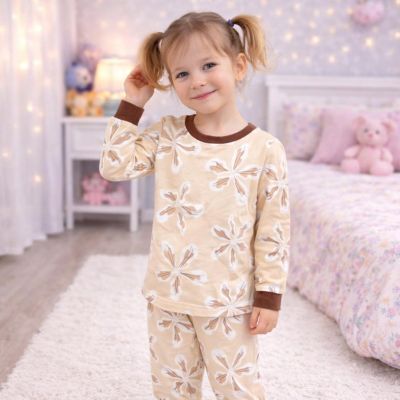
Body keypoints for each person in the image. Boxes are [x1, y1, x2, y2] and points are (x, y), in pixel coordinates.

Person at [99, 11, 290, 400]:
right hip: (168, 297)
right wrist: (133, 103)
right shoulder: (167, 135)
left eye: (208, 65)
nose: (197, 80)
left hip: (229, 303)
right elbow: (114, 166)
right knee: (172, 391)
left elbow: (274, 230)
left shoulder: (265, 149)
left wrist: (269, 297)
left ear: (238, 66)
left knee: (238, 389)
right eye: (182, 73)